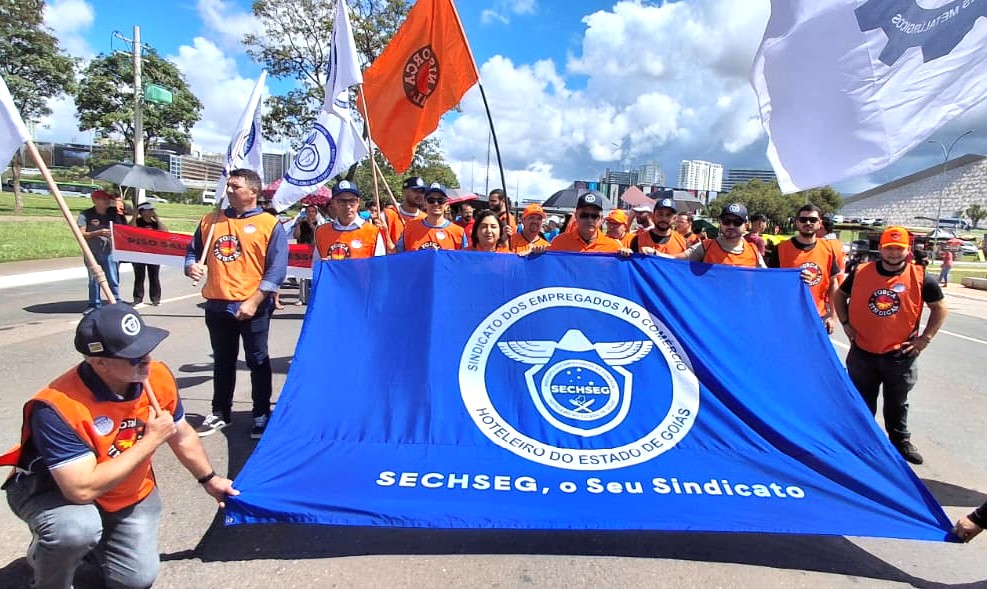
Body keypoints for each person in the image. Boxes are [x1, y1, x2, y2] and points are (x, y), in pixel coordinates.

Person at [0, 303, 237, 589]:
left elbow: (182, 434)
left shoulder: (156, 377)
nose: (147, 359)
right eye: (134, 357)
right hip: (55, 491)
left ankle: (86, 550)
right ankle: (48, 568)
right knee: (74, 531)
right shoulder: (56, 406)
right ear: (99, 363)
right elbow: (80, 489)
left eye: (147, 348)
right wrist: (151, 440)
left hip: (126, 489)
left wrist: (210, 480)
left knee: (135, 580)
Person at [184, 169, 288, 440]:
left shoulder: (269, 224)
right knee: (223, 361)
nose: (228, 190)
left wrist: (254, 300)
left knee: (257, 361)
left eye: (235, 186)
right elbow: (193, 252)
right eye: (228, 186)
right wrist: (191, 266)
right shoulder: (211, 220)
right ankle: (220, 412)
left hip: (253, 306)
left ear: (253, 192)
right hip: (217, 305)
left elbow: (277, 270)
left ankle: (261, 414)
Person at [832, 226, 948, 465]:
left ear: (907, 250)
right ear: (881, 249)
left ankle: (900, 441)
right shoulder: (861, 271)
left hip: (900, 354)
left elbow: (940, 308)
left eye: (899, 248)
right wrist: (845, 323)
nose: (894, 253)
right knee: (861, 401)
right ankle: (862, 443)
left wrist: (925, 338)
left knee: (897, 402)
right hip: (863, 351)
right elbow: (840, 296)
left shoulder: (920, 276)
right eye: (889, 248)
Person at [768, 204, 840, 334]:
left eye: (812, 220)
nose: (807, 223)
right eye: (803, 219)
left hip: (818, 317)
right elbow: (771, 285)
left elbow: (833, 284)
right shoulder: (781, 249)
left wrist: (833, 316)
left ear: (819, 223)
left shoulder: (828, 249)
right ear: (797, 222)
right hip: (787, 317)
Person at [671, 204, 766, 267]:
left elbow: (766, 279)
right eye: (726, 221)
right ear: (720, 223)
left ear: (745, 226)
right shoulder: (705, 247)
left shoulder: (753, 251)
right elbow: (674, 260)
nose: (731, 226)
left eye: (737, 222)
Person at [77, 190, 128, 309]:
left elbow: (122, 229)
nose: (107, 201)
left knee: (113, 278)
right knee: (94, 279)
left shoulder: (113, 214)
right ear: (95, 200)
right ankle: (94, 304)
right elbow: (81, 233)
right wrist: (97, 233)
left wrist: (119, 207)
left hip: (110, 252)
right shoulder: (86, 214)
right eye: (103, 198)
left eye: (108, 199)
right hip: (92, 252)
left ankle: (115, 301)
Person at [314, 181, 387, 260]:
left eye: (352, 201)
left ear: (358, 202)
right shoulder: (321, 232)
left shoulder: (373, 232)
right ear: (333, 203)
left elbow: (380, 265)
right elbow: (315, 264)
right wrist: (322, 265)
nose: (348, 206)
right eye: (342, 201)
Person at [549, 193, 630, 254]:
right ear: (576, 216)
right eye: (584, 215)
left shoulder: (614, 247)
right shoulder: (559, 243)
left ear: (601, 219)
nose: (590, 220)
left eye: (595, 216)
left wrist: (628, 257)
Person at [396, 183, 467, 251]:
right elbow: (397, 255)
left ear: (446, 204)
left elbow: (463, 258)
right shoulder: (409, 228)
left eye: (440, 200)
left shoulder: (458, 232)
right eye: (431, 200)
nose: (436, 204)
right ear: (425, 203)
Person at [131, 203, 167, 306]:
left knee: (154, 276)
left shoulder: (155, 224)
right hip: (139, 253)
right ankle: (138, 298)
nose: (152, 212)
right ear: (142, 212)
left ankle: (155, 299)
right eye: (149, 210)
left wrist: (157, 219)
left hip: (153, 253)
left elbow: (165, 232)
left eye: (152, 210)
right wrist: (134, 217)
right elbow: (131, 230)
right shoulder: (137, 222)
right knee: (139, 276)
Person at [382, 176, 427, 251]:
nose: (420, 195)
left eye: (422, 192)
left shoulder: (425, 219)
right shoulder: (388, 214)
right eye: (416, 191)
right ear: (404, 192)